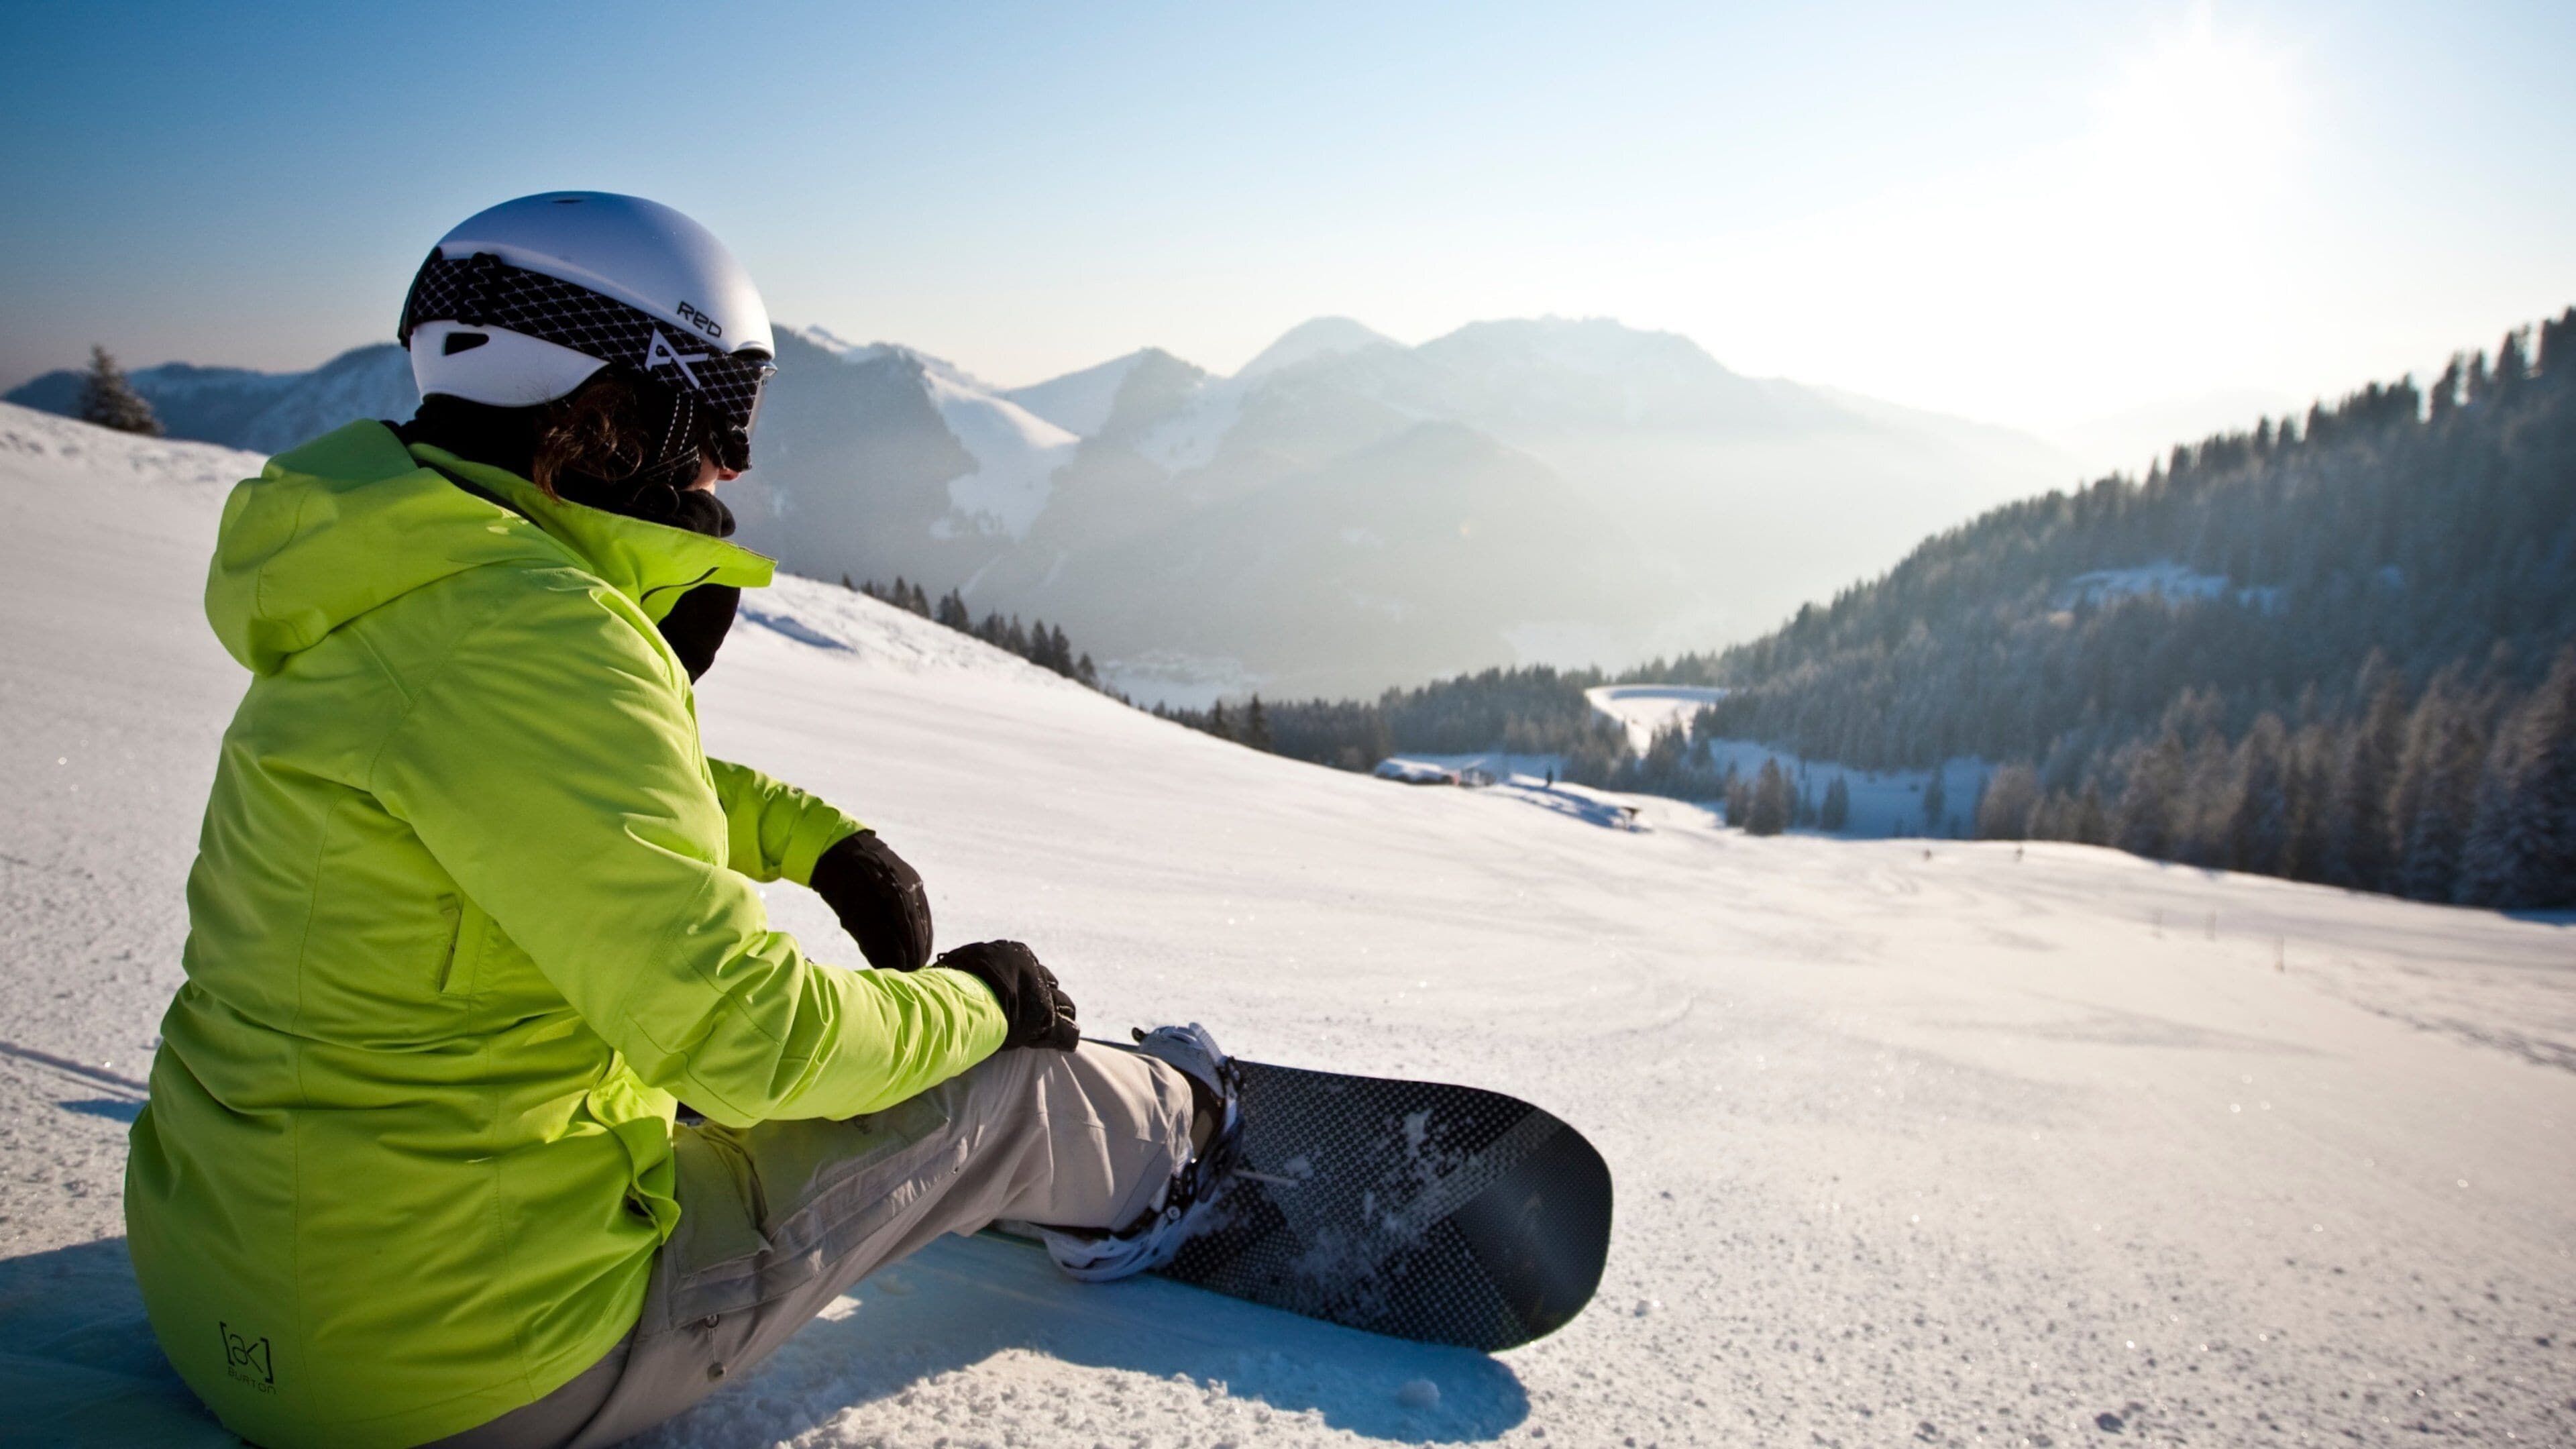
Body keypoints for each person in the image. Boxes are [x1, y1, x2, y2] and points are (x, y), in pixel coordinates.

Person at [123, 193, 1240, 1449]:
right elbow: (749, 1039)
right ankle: (1176, 1149)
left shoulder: (394, 578)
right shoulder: (542, 637)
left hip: (226, 1292)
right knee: (1000, 1089)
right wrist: (985, 1004)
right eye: (722, 407)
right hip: (464, 1365)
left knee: (691, 1070)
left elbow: (532, 804)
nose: (733, 463)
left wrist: (810, 840)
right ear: (616, 403)